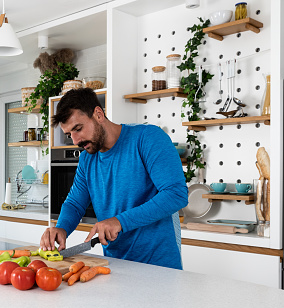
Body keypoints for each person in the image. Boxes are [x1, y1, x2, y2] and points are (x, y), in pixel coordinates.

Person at [40, 88, 188, 269]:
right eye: (69, 134)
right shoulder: (87, 158)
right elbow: (75, 203)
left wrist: (120, 221)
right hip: (115, 264)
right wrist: (61, 228)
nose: (75, 140)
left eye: (78, 128)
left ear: (98, 114)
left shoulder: (147, 138)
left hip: (158, 265)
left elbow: (176, 194)